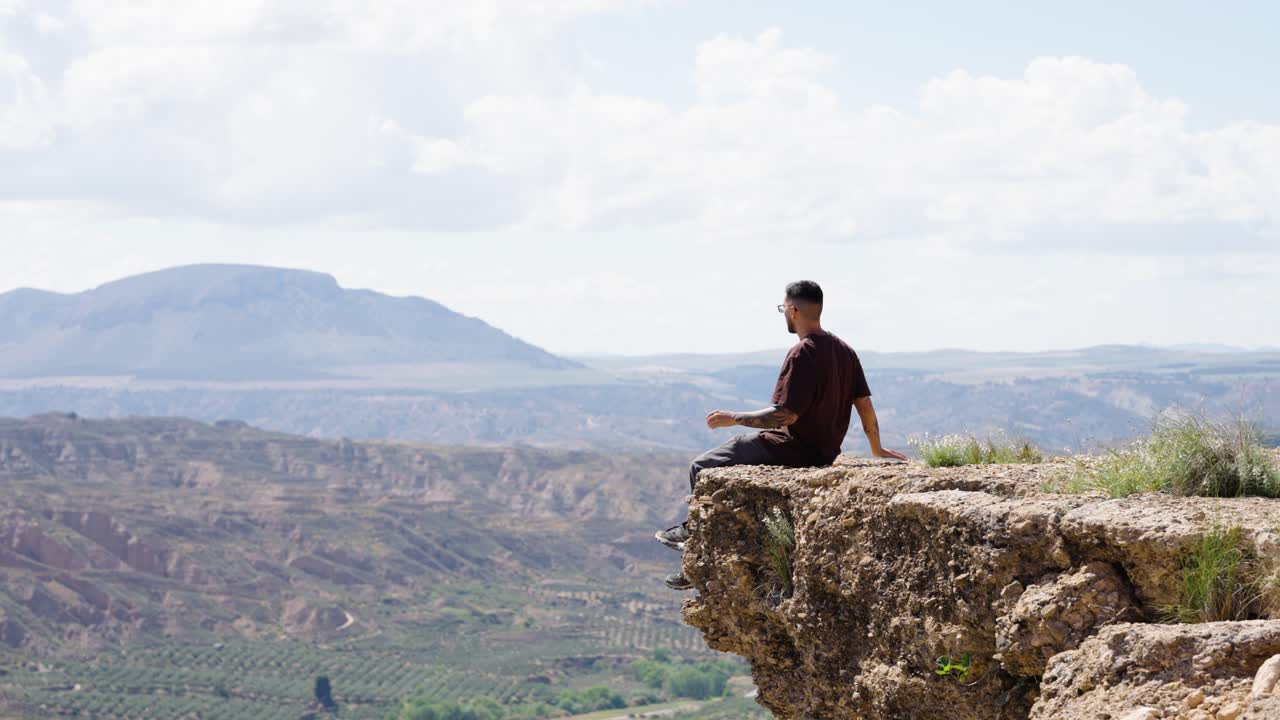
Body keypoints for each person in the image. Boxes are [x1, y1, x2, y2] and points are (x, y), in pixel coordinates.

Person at [656, 280, 907, 590]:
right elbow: (864, 404)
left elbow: (783, 416)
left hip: (790, 448)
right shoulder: (844, 350)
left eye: (782, 309)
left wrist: (731, 418)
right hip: (825, 452)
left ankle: (694, 553)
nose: (783, 315)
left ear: (793, 310)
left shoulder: (802, 353)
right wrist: (877, 448)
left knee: (702, 466)